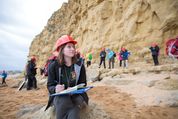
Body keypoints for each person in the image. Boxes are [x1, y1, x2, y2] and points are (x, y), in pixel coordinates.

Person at [46, 35, 89, 119]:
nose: (72, 49)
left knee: (77, 100)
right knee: (64, 101)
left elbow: (83, 83)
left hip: (75, 94)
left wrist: (74, 89)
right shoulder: (53, 65)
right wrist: (55, 89)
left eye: (73, 47)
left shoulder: (79, 65)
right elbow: (49, 85)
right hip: (60, 96)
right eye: (69, 47)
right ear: (61, 49)